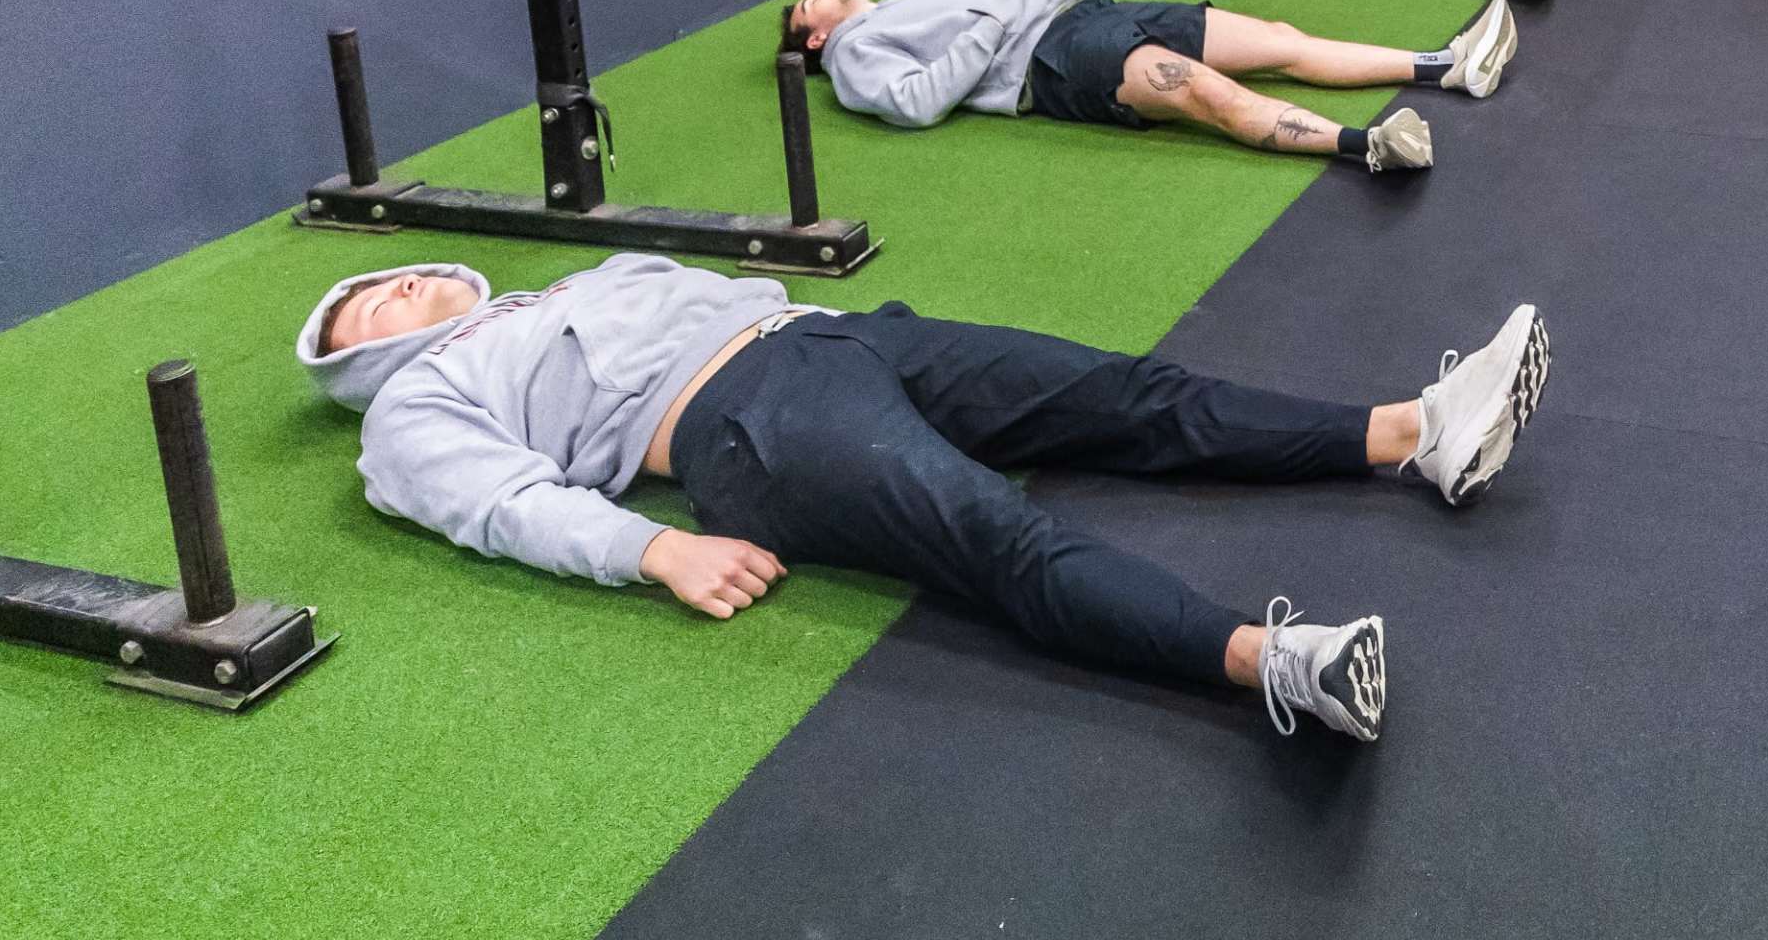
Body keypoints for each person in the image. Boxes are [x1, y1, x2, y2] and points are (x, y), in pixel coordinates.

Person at [301, 252, 1556, 746]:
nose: (405, 288)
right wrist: (650, 553)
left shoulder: (549, 289)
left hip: (837, 335)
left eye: (407, 276)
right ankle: (1278, 664)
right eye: (376, 303)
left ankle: (1415, 433)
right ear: (360, 357)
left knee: (1127, 396)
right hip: (749, 429)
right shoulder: (414, 413)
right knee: (991, 534)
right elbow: (507, 506)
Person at [781, 0, 1516, 175]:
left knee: (1279, 38)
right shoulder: (851, 53)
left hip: (1092, 11)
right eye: (808, 3)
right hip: (1058, 56)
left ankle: (1446, 65)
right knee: (1204, 93)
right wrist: (990, 28)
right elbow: (915, 103)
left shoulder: (898, 2)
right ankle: (1369, 146)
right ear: (814, 36)